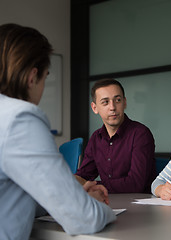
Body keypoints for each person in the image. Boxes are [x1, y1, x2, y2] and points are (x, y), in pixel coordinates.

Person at [0, 23, 116, 240]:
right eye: (45, 78)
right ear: (32, 77)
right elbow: (84, 218)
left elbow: (10, 197)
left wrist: (70, 196)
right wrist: (91, 204)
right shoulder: (19, 118)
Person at [75, 78, 156, 193]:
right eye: (105, 102)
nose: (112, 107)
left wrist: (95, 186)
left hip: (139, 204)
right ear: (95, 108)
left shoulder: (140, 134)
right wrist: (70, 180)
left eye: (117, 100)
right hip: (109, 202)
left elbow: (135, 183)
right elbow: (84, 175)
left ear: (125, 103)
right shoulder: (96, 138)